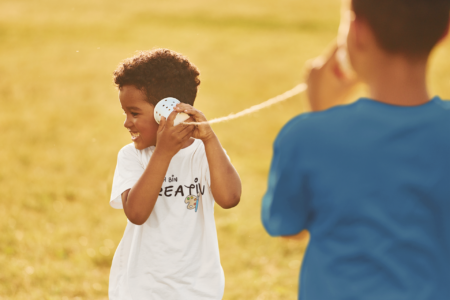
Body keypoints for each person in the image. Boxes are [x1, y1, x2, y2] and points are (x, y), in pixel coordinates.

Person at [262, 0, 450, 299]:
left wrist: (319, 112)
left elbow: (289, 226)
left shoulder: (307, 136)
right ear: (444, 31)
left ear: (358, 32)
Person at [109, 48, 241, 300]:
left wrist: (211, 139)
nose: (127, 122)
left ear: (166, 112)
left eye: (134, 113)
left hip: (198, 289)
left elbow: (230, 198)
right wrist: (163, 153)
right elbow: (136, 213)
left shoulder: (203, 152)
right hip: (142, 289)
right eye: (125, 113)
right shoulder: (132, 156)